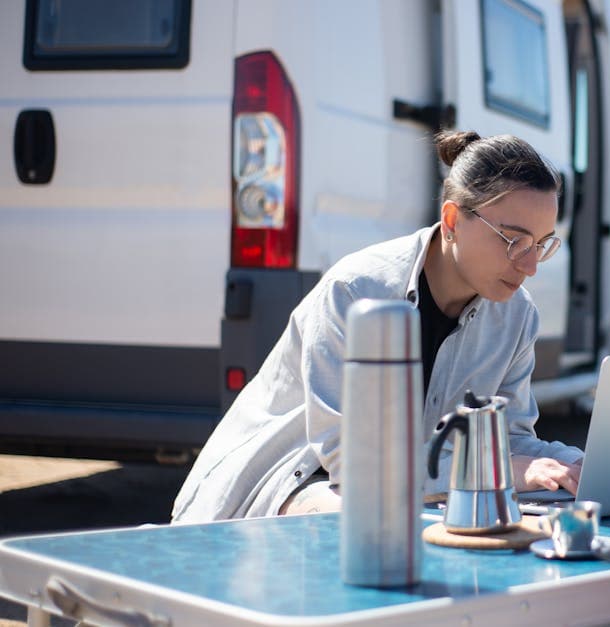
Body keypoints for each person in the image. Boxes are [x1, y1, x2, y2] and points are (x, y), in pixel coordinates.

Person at [173, 131, 584, 522]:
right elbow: (353, 467)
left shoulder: (517, 315)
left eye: (542, 244)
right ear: (453, 220)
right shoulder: (354, 292)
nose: (530, 266)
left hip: (401, 492)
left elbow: (510, 443)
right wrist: (497, 469)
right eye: (514, 240)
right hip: (281, 488)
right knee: (378, 522)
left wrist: (581, 464)